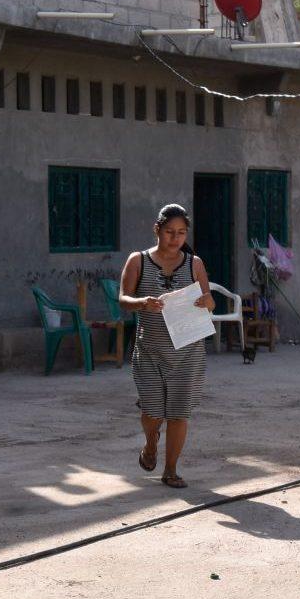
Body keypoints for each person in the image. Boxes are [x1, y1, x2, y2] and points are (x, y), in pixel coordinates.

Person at [118, 203, 215, 488]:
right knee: (152, 411)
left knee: (178, 413)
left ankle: (170, 470)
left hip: (188, 351)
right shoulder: (138, 261)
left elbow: (209, 300)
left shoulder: (194, 263)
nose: (175, 238)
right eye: (170, 232)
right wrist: (142, 303)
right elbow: (123, 299)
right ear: (157, 229)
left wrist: (207, 302)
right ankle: (150, 444)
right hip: (149, 350)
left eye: (181, 233)